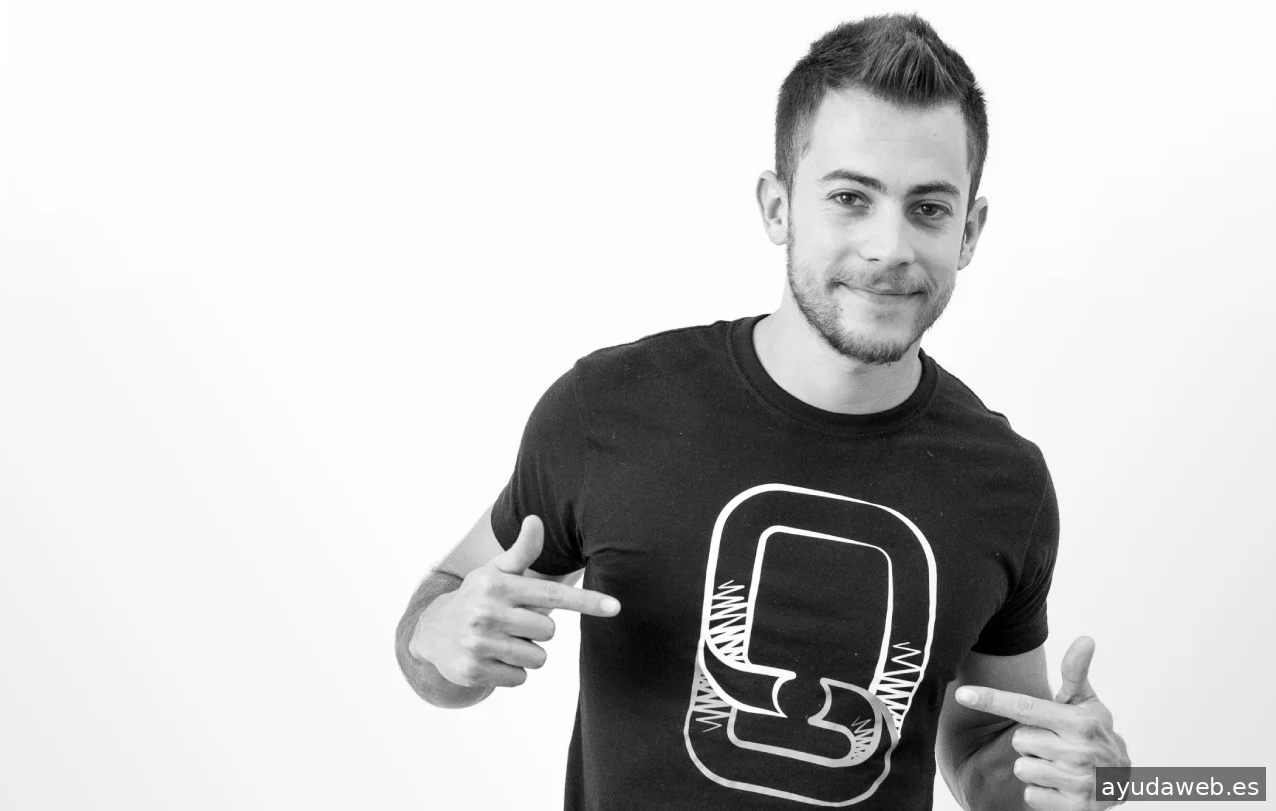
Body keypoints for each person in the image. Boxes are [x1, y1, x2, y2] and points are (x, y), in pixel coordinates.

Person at [393, 12, 1132, 811]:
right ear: (778, 208)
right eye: (850, 197)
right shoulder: (609, 409)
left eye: (928, 209)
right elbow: (438, 631)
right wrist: (442, 637)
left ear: (970, 231)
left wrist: (1083, 780)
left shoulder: (1006, 485)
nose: (889, 246)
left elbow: (987, 752)